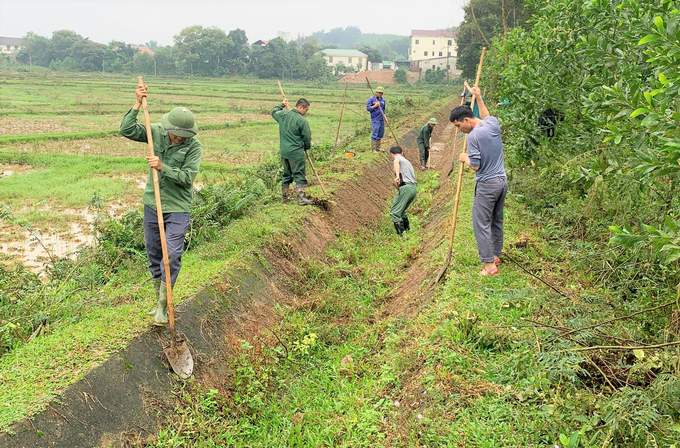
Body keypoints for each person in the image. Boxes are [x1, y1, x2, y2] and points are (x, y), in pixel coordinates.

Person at [119, 84, 203, 325]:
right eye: (176, 135)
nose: (178, 139)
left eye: (183, 137)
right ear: (168, 128)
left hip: (177, 207)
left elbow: (187, 177)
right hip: (152, 203)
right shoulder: (156, 131)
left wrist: (162, 167)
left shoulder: (194, 148)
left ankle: (165, 305)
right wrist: (137, 103)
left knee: (172, 254)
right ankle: (158, 301)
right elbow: (126, 129)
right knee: (154, 253)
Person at [449, 86, 507, 277]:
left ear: (466, 120)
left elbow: (475, 165)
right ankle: (495, 255)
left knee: (480, 222)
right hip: (501, 181)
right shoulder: (492, 124)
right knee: (496, 219)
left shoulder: (474, 136)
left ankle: (489, 265)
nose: (460, 130)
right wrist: (479, 98)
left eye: (458, 126)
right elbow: (486, 114)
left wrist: (464, 157)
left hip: (487, 184)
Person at [272, 98, 314, 205]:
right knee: (299, 174)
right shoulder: (302, 120)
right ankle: (301, 199)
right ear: (300, 107)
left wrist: (282, 104)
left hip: (284, 152)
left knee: (287, 174)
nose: (306, 113)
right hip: (296, 152)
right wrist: (306, 147)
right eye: (306, 110)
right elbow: (307, 138)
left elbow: (274, 111)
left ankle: (285, 198)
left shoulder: (283, 115)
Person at [389, 146, 417, 236]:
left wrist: (397, 176)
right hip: (413, 188)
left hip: (406, 187)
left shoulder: (397, 158)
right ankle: (407, 231)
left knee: (395, 212)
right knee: (402, 210)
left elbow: (396, 161)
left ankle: (401, 235)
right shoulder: (406, 161)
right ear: (402, 152)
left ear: (392, 154)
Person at [366, 86, 386, 153]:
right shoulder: (371, 99)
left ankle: (378, 148)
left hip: (381, 118)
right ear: (376, 92)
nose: (380, 94)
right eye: (379, 92)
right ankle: (373, 149)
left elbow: (383, 110)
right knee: (375, 133)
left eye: (381, 93)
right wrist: (375, 106)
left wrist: (385, 117)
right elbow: (368, 108)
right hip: (375, 119)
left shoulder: (383, 100)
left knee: (380, 133)